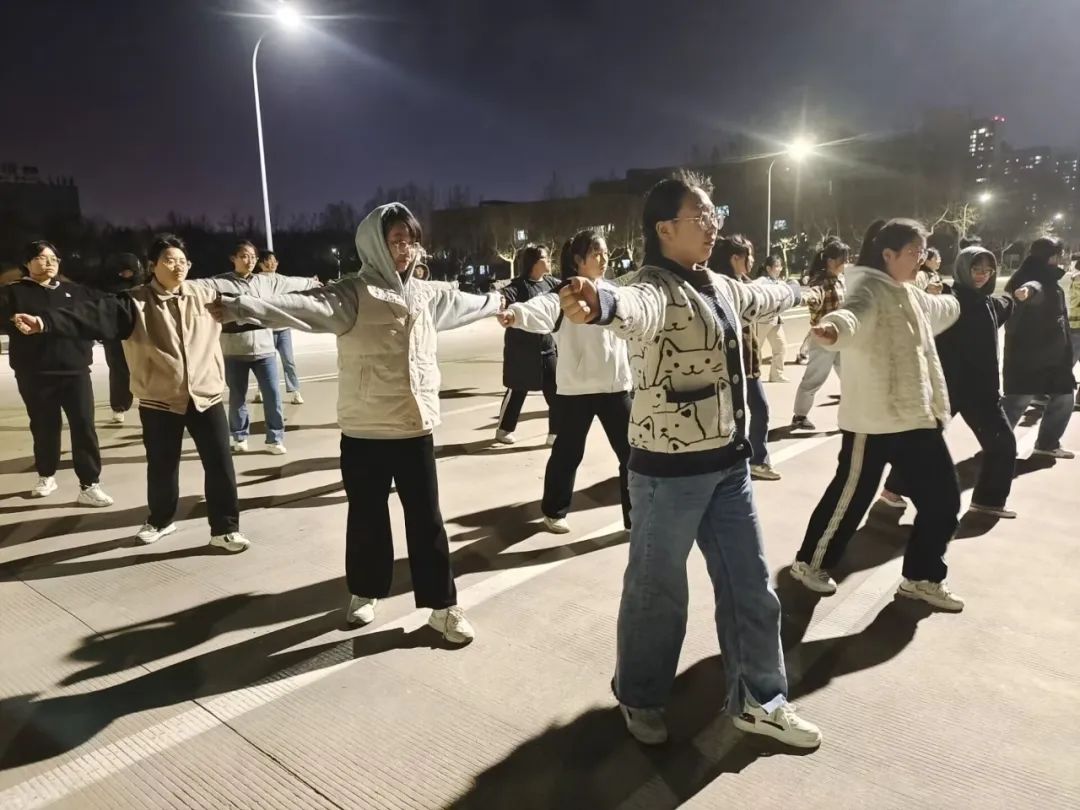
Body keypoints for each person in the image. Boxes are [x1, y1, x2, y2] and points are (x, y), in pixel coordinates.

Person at [558, 171, 818, 749]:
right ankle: (640, 695)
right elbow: (631, 307)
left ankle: (760, 698)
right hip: (667, 474)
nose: (712, 226)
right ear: (664, 228)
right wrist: (599, 301)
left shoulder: (719, 284)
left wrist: (808, 292)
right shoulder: (651, 287)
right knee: (658, 594)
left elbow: (763, 295)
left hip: (728, 466)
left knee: (751, 584)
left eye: (713, 215)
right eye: (700, 217)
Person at [212, 203, 502, 644]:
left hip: (415, 429)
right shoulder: (352, 294)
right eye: (396, 241)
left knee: (427, 521)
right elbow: (301, 306)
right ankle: (365, 592)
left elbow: (468, 303)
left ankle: (442, 606)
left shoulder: (427, 294)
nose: (405, 249)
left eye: (411, 241)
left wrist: (502, 301)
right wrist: (244, 306)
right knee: (367, 519)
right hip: (365, 432)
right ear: (375, 245)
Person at [12, 234, 250, 552]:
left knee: (220, 464)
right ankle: (161, 520)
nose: (177, 266)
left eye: (182, 261)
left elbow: (257, 300)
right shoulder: (133, 302)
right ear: (153, 266)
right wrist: (44, 322)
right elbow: (89, 315)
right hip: (159, 400)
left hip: (207, 397)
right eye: (169, 260)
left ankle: (225, 529)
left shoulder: (207, 295)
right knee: (162, 467)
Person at [790, 219, 965, 611]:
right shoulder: (868, 289)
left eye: (923, 251)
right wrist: (832, 330)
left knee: (943, 499)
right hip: (873, 420)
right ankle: (810, 563)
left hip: (917, 417)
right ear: (888, 254)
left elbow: (943, 309)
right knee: (850, 497)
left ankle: (922, 577)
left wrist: (959, 294)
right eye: (914, 252)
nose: (921, 258)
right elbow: (851, 316)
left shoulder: (911, 293)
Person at [878, 246, 1037, 519]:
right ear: (964, 268)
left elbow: (1009, 302)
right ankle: (893, 490)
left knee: (1002, 445)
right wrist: (933, 291)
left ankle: (988, 501)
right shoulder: (948, 300)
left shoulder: (990, 305)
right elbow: (914, 303)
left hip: (982, 394)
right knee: (924, 442)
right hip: (946, 388)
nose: (982, 275)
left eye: (988, 270)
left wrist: (1028, 290)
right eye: (976, 269)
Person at [499, 229, 633, 532]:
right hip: (577, 390)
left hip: (616, 388)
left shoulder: (614, 292)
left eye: (605, 253)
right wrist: (515, 314)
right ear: (578, 260)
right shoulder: (564, 293)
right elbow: (540, 308)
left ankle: (634, 516)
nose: (603, 259)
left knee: (632, 454)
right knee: (567, 454)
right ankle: (554, 510)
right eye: (596, 253)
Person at [0, 241, 112, 506]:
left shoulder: (75, 291)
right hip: (34, 372)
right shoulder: (12, 293)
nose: (49, 262)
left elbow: (104, 309)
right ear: (27, 263)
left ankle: (89, 484)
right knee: (44, 425)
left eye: (54, 258)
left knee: (84, 426)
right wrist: (11, 321)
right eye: (41, 257)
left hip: (75, 371)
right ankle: (46, 475)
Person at [198, 240, 319, 455]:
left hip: (265, 350)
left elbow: (290, 282)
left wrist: (312, 282)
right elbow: (194, 286)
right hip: (234, 351)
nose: (250, 261)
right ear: (233, 258)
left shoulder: (265, 282)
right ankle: (239, 436)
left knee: (272, 395)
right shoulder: (219, 283)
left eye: (253, 257)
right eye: (244, 256)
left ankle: (275, 438)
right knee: (237, 397)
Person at [710, 235, 780, 480]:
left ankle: (757, 460)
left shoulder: (747, 284)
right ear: (734, 258)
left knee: (760, 409)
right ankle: (736, 462)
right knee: (736, 415)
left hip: (750, 363)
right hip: (731, 366)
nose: (752, 260)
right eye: (748, 255)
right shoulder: (722, 287)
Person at [1000, 236, 1075, 457]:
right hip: (1029, 355)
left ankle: (1047, 444)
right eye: (1059, 254)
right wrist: (1028, 291)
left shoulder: (1048, 277)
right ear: (1051, 256)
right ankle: (996, 445)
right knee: (1017, 401)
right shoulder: (1030, 278)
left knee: (1064, 396)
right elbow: (1033, 288)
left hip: (1053, 356)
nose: (1061, 259)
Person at [495, 243, 560, 445]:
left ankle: (555, 433)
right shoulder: (519, 286)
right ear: (534, 262)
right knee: (517, 390)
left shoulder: (552, 284)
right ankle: (504, 429)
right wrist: (501, 308)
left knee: (556, 393)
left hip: (548, 350)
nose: (549, 260)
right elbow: (502, 298)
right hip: (522, 352)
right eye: (545, 258)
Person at [791, 239, 851, 430]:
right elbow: (814, 295)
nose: (846, 263)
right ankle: (799, 416)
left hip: (841, 337)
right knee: (814, 378)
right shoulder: (821, 282)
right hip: (823, 337)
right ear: (831, 261)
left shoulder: (841, 280)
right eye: (843, 259)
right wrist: (804, 298)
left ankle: (852, 417)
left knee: (851, 378)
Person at [96, 252, 145, 423]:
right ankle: (119, 406)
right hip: (115, 335)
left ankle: (149, 403)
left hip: (140, 334)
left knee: (144, 369)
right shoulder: (108, 288)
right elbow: (103, 312)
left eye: (129, 270)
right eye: (122, 271)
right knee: (118, 370)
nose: (125, 274)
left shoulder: (143, 288)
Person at [252, 249, 304, 406]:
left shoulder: (282, 280)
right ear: (261, 264)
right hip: (265, 330)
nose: (273, 263)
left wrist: (312, 282)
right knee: (265, 364)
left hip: (283, 329)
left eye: (275, 261)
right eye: (269, 260)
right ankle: (260, 391)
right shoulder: (256, 280)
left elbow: (297, 284)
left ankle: (295, 392)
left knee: (289, 361)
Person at [753, 255, 789, 382]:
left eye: (780, 266)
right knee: (756, 349)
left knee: (781, 346)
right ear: (768, 268)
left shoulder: (780, 282)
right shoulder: (761, 281)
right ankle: (753, 375)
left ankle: (776, 374)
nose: (779, 269)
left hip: (775, 320)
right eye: (776, 266)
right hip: (762, 321)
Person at [1064, 255, 1080, 409]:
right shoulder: (1078, 280)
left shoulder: (1076, 279)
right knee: (1066, 363)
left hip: (1075, 326)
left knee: (1067, 363)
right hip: (1077, 327)